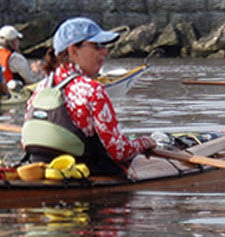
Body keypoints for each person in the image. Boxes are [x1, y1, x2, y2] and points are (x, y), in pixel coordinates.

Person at [21, 17, 156, 176]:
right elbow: (119, 151)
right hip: (85, 173)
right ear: (73, 51)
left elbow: (25, 143)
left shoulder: (40, 89)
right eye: (97, 46)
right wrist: (145, 142)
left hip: (41, 169)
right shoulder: (93, 90)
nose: (104, 52)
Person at [0, 25, 42, 90]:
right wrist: (37, 71)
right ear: (13, 42)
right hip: (9, 93)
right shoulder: (15, 58)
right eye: (17, 40)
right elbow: (31, 80)